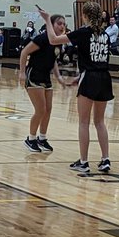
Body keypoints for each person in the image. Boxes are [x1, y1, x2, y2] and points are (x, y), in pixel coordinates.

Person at [39, 2, 113, 174]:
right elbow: (97, 59)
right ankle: (105, 159)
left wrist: (47, 20)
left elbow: (53, 40)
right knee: (100, 122)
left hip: (90, 78)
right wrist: (79, 76)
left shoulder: (83, 33)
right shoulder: (105, 35)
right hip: (104, 78)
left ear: (84, 15)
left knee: (84, 122)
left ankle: (84, 162)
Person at [18, 13, 75, 151]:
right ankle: (30, 139)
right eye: (59, 23)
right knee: (40, 110)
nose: (62, 26)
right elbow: (24, 52)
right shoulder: (42, 38)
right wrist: (21, 72)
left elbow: (53, 59)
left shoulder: (58, 41)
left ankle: (42, 138)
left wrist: (59, 77)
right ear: (52, 24)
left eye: (64, 24)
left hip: (46, 76)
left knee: (48, 109)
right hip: (34, 74)